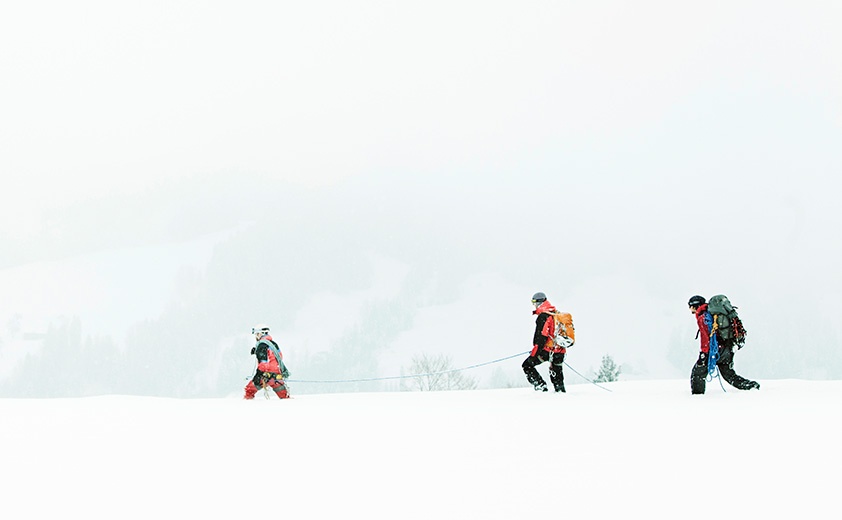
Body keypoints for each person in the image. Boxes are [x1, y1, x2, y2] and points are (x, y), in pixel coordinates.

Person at [688, 295, 759, 394]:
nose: (690, 309)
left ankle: (697, 397)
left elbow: (706, 338)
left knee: (698, 374)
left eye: (690, 306)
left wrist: (704, 354)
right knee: (729, 375)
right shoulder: (711, 314)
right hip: (727, 348)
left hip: (715, 350)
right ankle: (751, 386)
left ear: (695, 305)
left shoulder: (703, 317)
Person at [522, 292, 567, 392]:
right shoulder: (556, 313)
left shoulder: (544, 316)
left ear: (539, 303)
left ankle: (541, 387)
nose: (533, 305)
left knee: (527, 366)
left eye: (534, 302)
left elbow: (541, 337)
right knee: (557, 372)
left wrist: (534, 353)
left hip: (547, 351)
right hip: (560, 351)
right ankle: (561, 393)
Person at [244, 324, 290, 400]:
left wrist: (258, 375)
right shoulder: (273, 344)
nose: (256, 337)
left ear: (260, 334)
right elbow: (279, 357)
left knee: (249, 390)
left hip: (265, 376)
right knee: (284, 397)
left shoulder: (261, 345)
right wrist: (257, 351)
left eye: (256, 334)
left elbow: (263, 364)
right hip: (277, 376)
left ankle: (247, 407)